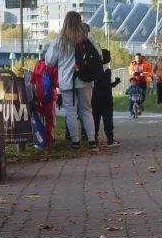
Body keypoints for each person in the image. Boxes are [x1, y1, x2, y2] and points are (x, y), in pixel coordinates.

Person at [46, 11, 101, 148]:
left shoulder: (60, 39)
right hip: (85, 78)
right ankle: (92, 141)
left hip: (67, 79)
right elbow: (99, 54)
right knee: (86, 110)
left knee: (70, 111)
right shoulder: (87, 36)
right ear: (79, 21)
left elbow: (50, 61)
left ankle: (75, 142)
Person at [92, 49, 121, 146]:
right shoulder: (106, 70)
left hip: (94, 97)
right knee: (107, 119)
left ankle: (93, 139)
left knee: (95, 119)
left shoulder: (93, 69)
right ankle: (110, 139)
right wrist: (115, 82)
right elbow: (106, 84)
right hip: (106, 98)